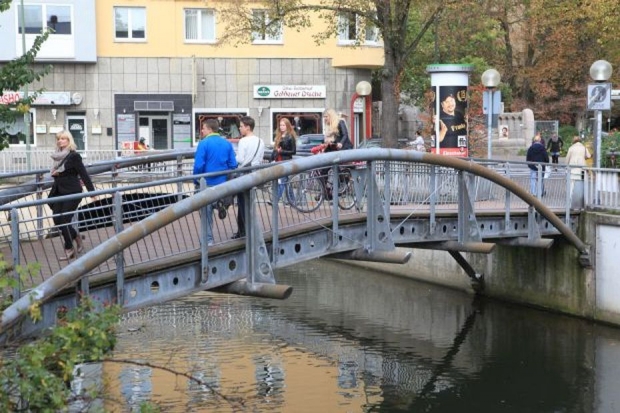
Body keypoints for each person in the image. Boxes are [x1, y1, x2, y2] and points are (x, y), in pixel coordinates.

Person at [48, 130, 98, 261]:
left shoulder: (74, 156)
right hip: (59, 191)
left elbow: (83, 174)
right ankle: (76, 237)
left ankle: (69, 248)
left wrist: (92, 192)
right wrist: (56, 174)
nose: (60, 141)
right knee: (57, 219)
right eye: (59, 139)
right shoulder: (57, 156)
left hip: (72, 192)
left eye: (63, 139)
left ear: (69, 140)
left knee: (64, 220)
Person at [193, 119, 238, 246]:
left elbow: (198, 165)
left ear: (209, 129)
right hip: (222, 185)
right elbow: (233, 165)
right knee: (214, 202)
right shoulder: (227, 143)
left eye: (203, 128)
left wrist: (196, 180)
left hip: (206, 184)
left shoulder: (203, 143)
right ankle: (220, 204)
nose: (202, 131)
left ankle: (208, 241)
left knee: (206, 215)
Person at [233, 116, 265, 239]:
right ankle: (244, 230)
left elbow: (240, 159)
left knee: (242, 202)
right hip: (254, 174)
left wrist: (233, 157)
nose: (240, 128)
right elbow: (260, 159)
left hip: (243, 174)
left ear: (248, 127)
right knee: (249, 202)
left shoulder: (243, 141)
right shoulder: (260, 141)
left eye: (241, 126)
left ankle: (245, 231)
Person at [271, 118, 297, 204]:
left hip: (286, 161)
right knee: (286, 182)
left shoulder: (290, 137)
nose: (282, 127)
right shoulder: (278, 136)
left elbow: (293, 151)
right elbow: (275, 149)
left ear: (287, 126)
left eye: (283, 125)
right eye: (281, 125)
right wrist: (273, 156)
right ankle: (292, 201)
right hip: (278, 160)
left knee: (283, 181)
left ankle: (275, 200)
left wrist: (281, 151)